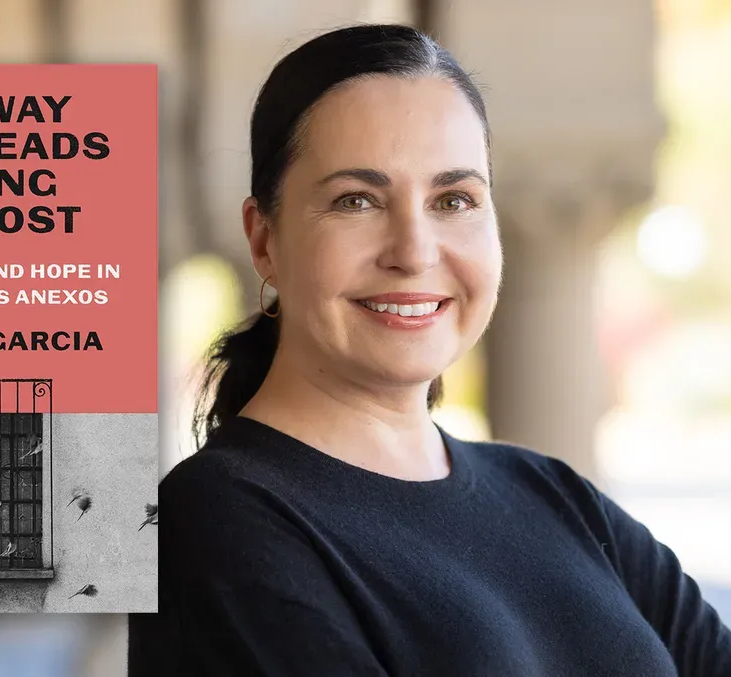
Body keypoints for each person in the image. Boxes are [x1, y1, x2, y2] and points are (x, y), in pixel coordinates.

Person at [128, 23, 731, 676]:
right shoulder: (217, 521)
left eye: (453, 199)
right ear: (263, 238)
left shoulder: (555, 497)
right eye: (355, 200)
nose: (414, 250)